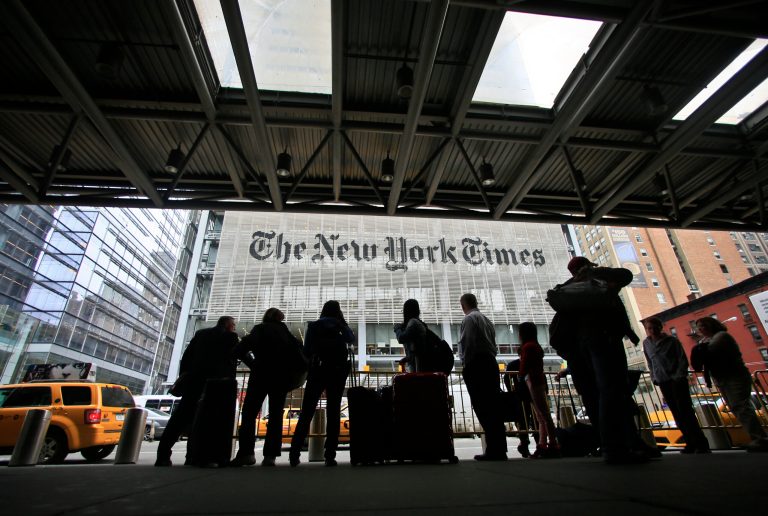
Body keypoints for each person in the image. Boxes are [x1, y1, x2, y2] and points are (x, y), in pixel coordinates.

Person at [562, 256, 647, 464]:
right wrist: (595, 272)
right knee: (613, 389)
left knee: (606, 391)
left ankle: (624, 443)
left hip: (586, 344)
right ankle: (615, 446)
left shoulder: (570, 287)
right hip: (606, 338)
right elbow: (626, 274)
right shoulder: (595, 277)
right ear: (586, 266)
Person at [155, 316, 238, 467]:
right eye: (233, 325)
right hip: (215, 385)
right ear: (227, 325)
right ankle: (193, 456)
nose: (234, 328)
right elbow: (235, 356)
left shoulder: (201, 334)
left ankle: (163, 455)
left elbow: (186, 357)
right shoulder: (231, 337)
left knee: (180, 418)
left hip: (194, 381)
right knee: (206, 420)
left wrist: (185, 376)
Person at [231, 308, 305, 467]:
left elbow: (240, 349)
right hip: (280, 378)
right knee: (276, 416)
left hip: (260, 376)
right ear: (280, 318)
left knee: (249, 414)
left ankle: (246, 453)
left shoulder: (260, 329)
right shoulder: (285, 332)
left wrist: (253, 364)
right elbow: (299, 349)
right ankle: (270, 455)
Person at [289, 300, 355, 467]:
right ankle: (330, 455)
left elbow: (307, 350)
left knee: (307, 412)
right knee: (333, 412)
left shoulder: (314, 326)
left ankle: (294, 454)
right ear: (338, 311)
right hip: (337, 372)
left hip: (318, 371)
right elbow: (351, 339)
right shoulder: (340, 325)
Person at [693, 317, 768, 452]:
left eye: (703, 326)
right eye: (698, 327)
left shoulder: (721, 337)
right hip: (721, 378)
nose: (700, 329)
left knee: (741, 406)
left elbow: (709, 352)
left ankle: (760, 439)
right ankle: (757, 438)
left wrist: (700, 350)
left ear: (712, 325)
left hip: (735, 376)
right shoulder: (705, 341)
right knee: (736, 407)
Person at [642, 317, 710, 454]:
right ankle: (690, 443)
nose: (652, 330)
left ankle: (701, 444)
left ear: (660, 327)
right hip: (663, 381)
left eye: (654, 327)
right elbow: (650, 362)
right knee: (676, 413)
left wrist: (679, 376)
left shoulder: (672, 341)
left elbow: (682, 359)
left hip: (677, 380)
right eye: (649, 328)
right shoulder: (646, 343)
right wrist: (654, 377)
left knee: (686, 411)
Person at [458, 293, 507, 461]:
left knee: (483, 406)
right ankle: (499, 448)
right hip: (490, 363)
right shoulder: (486, 320)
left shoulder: (469, 319)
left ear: (463, 305)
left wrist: (465, 363)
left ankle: (493, 449)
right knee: (494, 406)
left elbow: (468, 343)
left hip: (477, 365)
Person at [518, 322, 560, 458]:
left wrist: (520, 375)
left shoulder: (528, 347)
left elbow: (524, 365)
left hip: (533, 380)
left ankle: (551, 444)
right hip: (538, 380)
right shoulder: (535, 346)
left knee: (543, 415)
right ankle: (544, 444)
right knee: (542, 415)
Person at [504, 359, 535, 458]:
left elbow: (506, 378)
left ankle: (525, 445)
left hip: (520, 396)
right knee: (532, 421)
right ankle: (534, 445)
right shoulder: (531, 363)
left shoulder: (513, 364)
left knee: (523, 422)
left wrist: (511, 392)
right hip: (529, 395)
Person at [394, 299, 427, 372]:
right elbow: (415, 348)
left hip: (418, 366)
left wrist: (397, 329)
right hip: (419, 364)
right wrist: (407, 358)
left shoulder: (413, 323)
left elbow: (401, 338)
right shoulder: (419, 324)